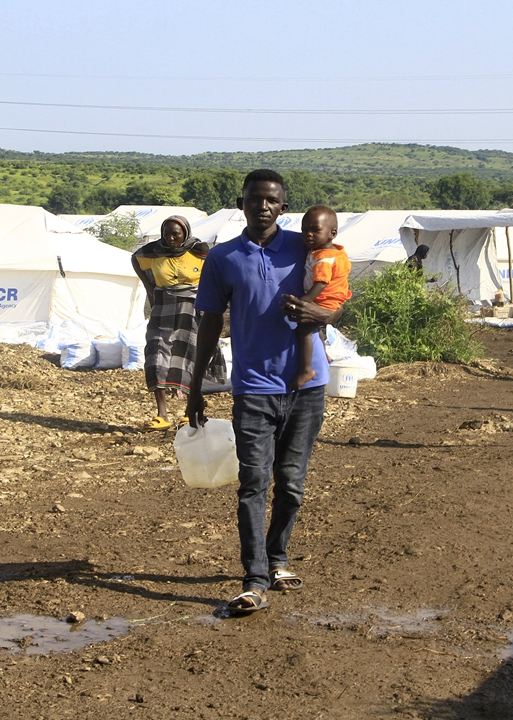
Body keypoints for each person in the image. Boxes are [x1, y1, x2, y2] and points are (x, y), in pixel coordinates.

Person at [185, 170, 342, 616]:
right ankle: (254, 579)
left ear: (283, 207)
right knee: (254, 483)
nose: (263, 206)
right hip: (252, 388)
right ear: (243, 203)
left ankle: (278, 559)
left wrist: (326, 314)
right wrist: (196, 387)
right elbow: (211, 323)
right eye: (255, 199)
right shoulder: (223, 258)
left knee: (291, 485)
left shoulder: (306, 246)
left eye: (272, 200)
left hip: (307, 387)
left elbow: (337, 293)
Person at [131, 216, 228, 429]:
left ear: (185, 233)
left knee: (191, 357)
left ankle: (188, 412)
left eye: (176, 234)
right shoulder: (153, 253)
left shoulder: (200, 252)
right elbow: (136, 260)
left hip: (193, 310)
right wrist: (149, 288)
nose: (171, 238)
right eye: (167, 234)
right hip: (163, 309)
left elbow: (216, 274)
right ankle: (162, 415)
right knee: (156, 355)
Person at [292, 206, 351, 391]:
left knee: (304, 332)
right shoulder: (326, 251)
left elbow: (321, 283)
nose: (308, 235)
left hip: (325, 300)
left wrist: (304, 301)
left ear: (332, 233)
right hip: (330, 299)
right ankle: (325, 354)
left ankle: (306, 370)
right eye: (304, 230)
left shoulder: (325, 257)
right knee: (316, 329)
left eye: (315, 230)